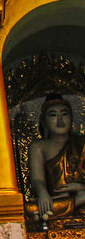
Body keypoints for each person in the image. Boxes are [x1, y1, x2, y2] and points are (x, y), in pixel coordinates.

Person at [28, 93, 85, 223]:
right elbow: (37, 179)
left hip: (79, 198)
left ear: (72, 119)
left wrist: (80, 188)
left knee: (41, 212)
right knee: (30, 209)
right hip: (56, 200)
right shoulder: (38, 147)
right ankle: (74, 201)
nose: (60, 120)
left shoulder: (82, 143)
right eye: (53, 115)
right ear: (44, 121)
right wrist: (43, 193)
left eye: (64, 114)